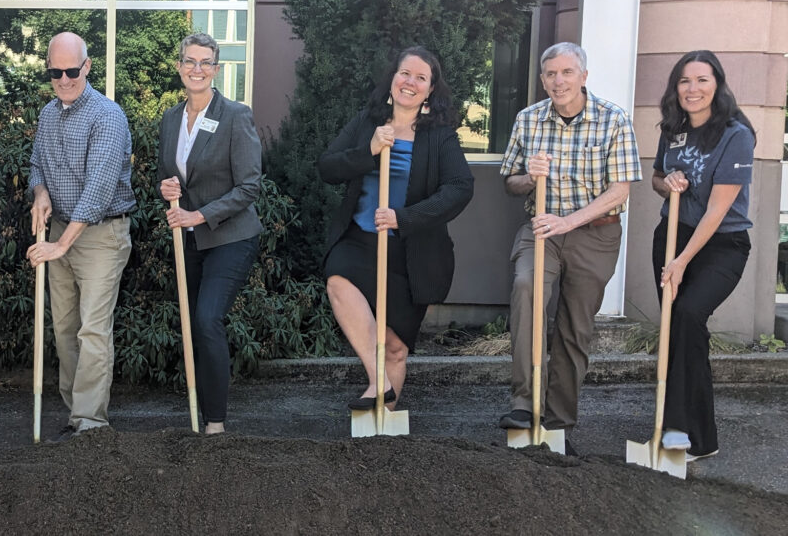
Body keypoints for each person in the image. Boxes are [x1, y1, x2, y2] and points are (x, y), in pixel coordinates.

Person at [498, 42, 641, 447]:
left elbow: (621, 189)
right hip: (541, 228)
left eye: (566, 72)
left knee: (575, 324)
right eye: (550, 74)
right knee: (527, 289)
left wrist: (570, 221)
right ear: (542, 80)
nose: (558, 81)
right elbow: (509, 183)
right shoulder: (529, 120)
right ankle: (525, 402)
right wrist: (529, 176)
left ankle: (559, 418)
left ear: (583, 76)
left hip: (595, 233)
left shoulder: (613, 119)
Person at [320, 46, 473, 409]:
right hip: (359, 241)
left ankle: (381, 433)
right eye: (405, 73)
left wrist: (403, 218)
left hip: (411, 254)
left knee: (396, 347)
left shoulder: (440, 136)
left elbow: (460, 188)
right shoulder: (366, 122)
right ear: (393, 78)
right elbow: (327, 168)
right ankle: (378, 383)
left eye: (421, 78)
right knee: (337, 280)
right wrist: (369, 150)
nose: (411, 82)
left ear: (430, 89)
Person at [26, 32, 135, 440]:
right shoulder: (47, 115)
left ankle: (90, 424)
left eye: (72, 70)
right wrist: (39, 192)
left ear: (87, 67)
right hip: (59, 229)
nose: (65, 79)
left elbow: (97, 192)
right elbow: (36, 163)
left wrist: (60, 245)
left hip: (101, 234)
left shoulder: (108, 116)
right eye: (56, 72)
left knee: (92, 328)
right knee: (64, 328)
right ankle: (76, 414)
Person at [651, 50, 754, 462]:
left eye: (701, 80)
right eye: (684, 81)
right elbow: (658, 178)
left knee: (689, 314)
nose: (692, 89)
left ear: (717, 84)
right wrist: (667, 181)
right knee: (678, 328)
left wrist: (681, 261)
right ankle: (697, 436)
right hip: (673, 232)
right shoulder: (672, 130)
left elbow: (718, 209)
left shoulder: (736, 134)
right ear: (676, 88)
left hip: (721, 243)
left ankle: (679, 425)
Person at [157, 32, 263, 434]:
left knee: (206, 319)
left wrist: (199, 215)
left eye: (205, 63)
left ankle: (216, 424)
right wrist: (165, 188)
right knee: (192, 324)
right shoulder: (170, 119)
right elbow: (165, 178)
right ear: (180, 66)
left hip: (230, 237)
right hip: (189, 240)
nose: (196, 69)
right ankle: (198, 414)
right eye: (190, 61)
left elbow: (249, 187)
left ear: (216, 70)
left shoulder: (235, 115)